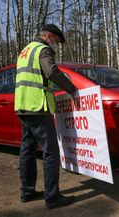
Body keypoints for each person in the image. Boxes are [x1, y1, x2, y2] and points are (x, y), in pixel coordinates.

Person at [14, 24, 77, 209]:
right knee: (51, 152)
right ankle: (52, 197)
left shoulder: (25, 51)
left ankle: (27, 191)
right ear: (48, 35)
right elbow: (51, 72)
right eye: (55, 41)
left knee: (27, 150)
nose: (55, 45)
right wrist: (72, 89)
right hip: (38, 107)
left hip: (23, 106)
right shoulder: (43, 49)